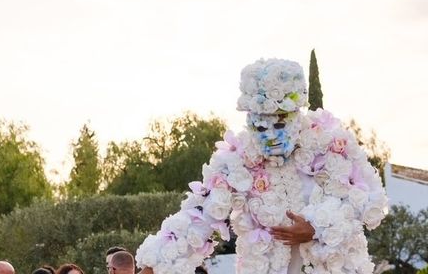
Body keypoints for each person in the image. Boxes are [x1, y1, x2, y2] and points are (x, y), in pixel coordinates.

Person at [136, 58, 388, 274]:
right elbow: (201, 213)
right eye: (258, 125)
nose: (268, 134)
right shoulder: (237, 158)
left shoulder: (331, 144)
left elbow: (368, 200)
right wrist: (155, 265)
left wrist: (317, 228)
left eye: (278, 124)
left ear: (296, 114)